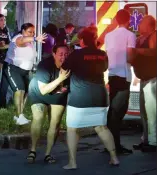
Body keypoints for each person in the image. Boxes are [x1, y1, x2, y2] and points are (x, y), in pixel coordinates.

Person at [62, 26, 119, 170]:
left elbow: (64, 69)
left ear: (81, 41)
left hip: (80, 98)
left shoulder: (76, 54)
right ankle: (114, 158)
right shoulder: (102, 54)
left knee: (72, 129)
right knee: (101, 127)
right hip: (100, 96)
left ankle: (72, 162)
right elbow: (105, 68)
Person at [27, 44, 70, 164]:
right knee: (38, 117)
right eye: (61, 54)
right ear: (54, 54)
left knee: (55, 123)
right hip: (39, 92)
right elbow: (44, 90)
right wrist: (60, 79)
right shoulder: (45, 65)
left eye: (66, 54)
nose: (64, 57)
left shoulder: (71, 66)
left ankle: (48, 153)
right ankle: (33, 150)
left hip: (58, 94)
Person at [104, 9, 136, 155]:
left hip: (112, 75)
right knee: (118, 112)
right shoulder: (130, 35)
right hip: (124, 76)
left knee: (113, 111)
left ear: (116, 20)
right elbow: (130, 58)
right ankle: (114, 146)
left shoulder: (109, 36)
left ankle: (110, 144)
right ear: (128, 20)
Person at [4, 23, 47, 125]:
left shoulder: (30, 42)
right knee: (19, 91)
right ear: (23, 31)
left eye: (33, 32)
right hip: (13, 68)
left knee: (26, 92)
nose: (32, 34)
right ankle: (19, 117)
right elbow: (22, 41)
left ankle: (19, 114)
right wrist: (35, 38)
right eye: (29, 32)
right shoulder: (18, 38)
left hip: (25, 71)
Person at [127, 15, 157, 152]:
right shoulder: (139, 39)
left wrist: (137, 51)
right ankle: (145, 139)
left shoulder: (154, 36)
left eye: (142, 23)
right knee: (143, 113)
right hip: (143, 80)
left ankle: (153, 141)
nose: (139, 25)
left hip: (153, 80)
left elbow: (154, 52)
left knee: (152, 113)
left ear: (149, 25)